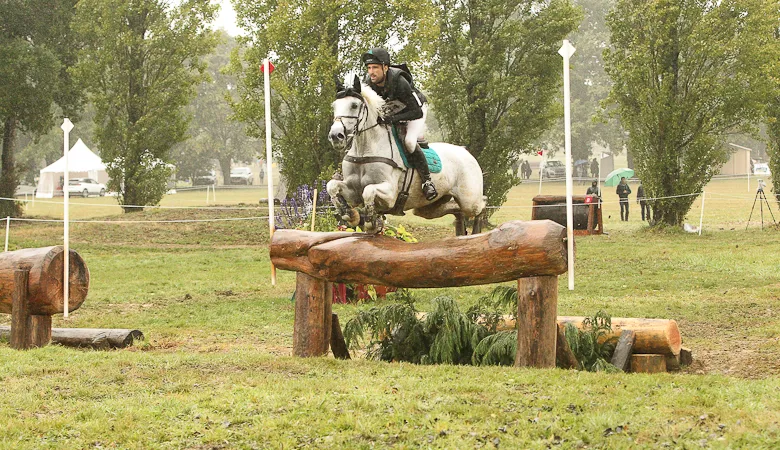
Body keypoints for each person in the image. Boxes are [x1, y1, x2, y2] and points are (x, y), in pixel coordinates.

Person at [361, 47, 437, 200]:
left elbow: (416, 112)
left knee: (408, 142)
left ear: (386, 67)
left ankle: (427, 182)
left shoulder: (399, 81)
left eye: (375, 67)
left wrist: (393, 120)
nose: (371, 72)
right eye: (369, 68)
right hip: (394, 112)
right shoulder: (369, 83)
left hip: (416, 110)